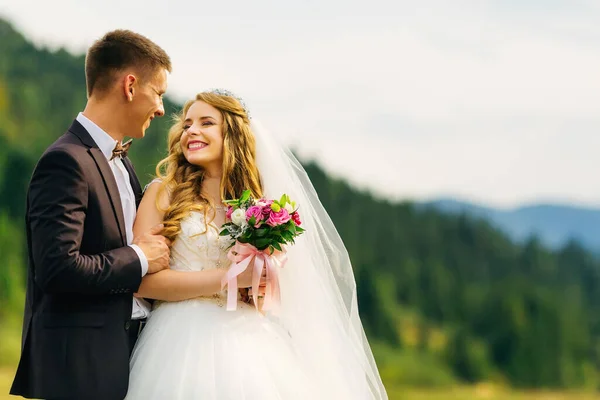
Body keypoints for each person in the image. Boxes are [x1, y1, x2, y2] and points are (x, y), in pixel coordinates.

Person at [124, 89, 388, 399]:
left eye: (206, 122)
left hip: (248, 342)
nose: (191, 130)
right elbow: (142, 282)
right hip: (178, 341)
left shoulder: (258, 208)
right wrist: (228, 280)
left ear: (232, 134)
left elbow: (265, 293)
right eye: (186, 124)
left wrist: (260, 286)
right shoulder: (162, 193)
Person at [10, 30, 172, 400]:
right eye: (158, 93)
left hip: (130, 357)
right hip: (81, 370)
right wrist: (140, 256)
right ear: (130, 86)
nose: (161, 108)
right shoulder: (65, 161)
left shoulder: (123, 164)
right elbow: (57, 268)